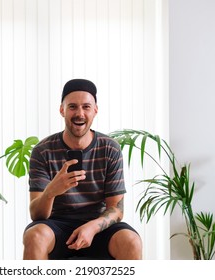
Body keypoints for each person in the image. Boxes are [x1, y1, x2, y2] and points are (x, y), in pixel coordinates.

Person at [23, 78, 142, 260]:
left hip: (98, 227)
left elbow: (116, 209)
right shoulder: (43, 151)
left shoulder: (110, 149)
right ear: (62, 110)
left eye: (86, 107)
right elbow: (36, 215)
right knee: (35, 236)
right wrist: (50, 192)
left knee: (131, 241)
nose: (79, 113)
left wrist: (92, 227)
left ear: (95, 110)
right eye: (72, 107)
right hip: (57, 226)